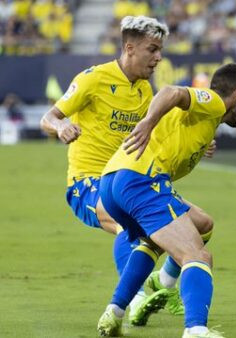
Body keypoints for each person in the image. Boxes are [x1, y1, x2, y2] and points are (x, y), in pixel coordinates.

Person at [39, 15, 209, 323]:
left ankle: (163, 285)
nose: (158, 58)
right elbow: (48, 117)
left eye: (160, 50)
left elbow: (160, 130)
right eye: (152, 50)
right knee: (126, 223)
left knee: (201, 223)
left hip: (130, 180)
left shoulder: (145, 90)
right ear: (129, 48)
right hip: (87, 183)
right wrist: (61, 126)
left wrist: (197, 143)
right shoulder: (93, 78)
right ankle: (133, 301)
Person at [96, 63, 236, 338]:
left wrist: (202, 142)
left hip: (113, 181)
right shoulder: (215, 102)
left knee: (201, 224)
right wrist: (147, 121)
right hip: (142, 180)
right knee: (197, 254)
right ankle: (195, 329)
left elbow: (179, 125)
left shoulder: (207, 120)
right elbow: (171, 92)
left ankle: (115, 313)